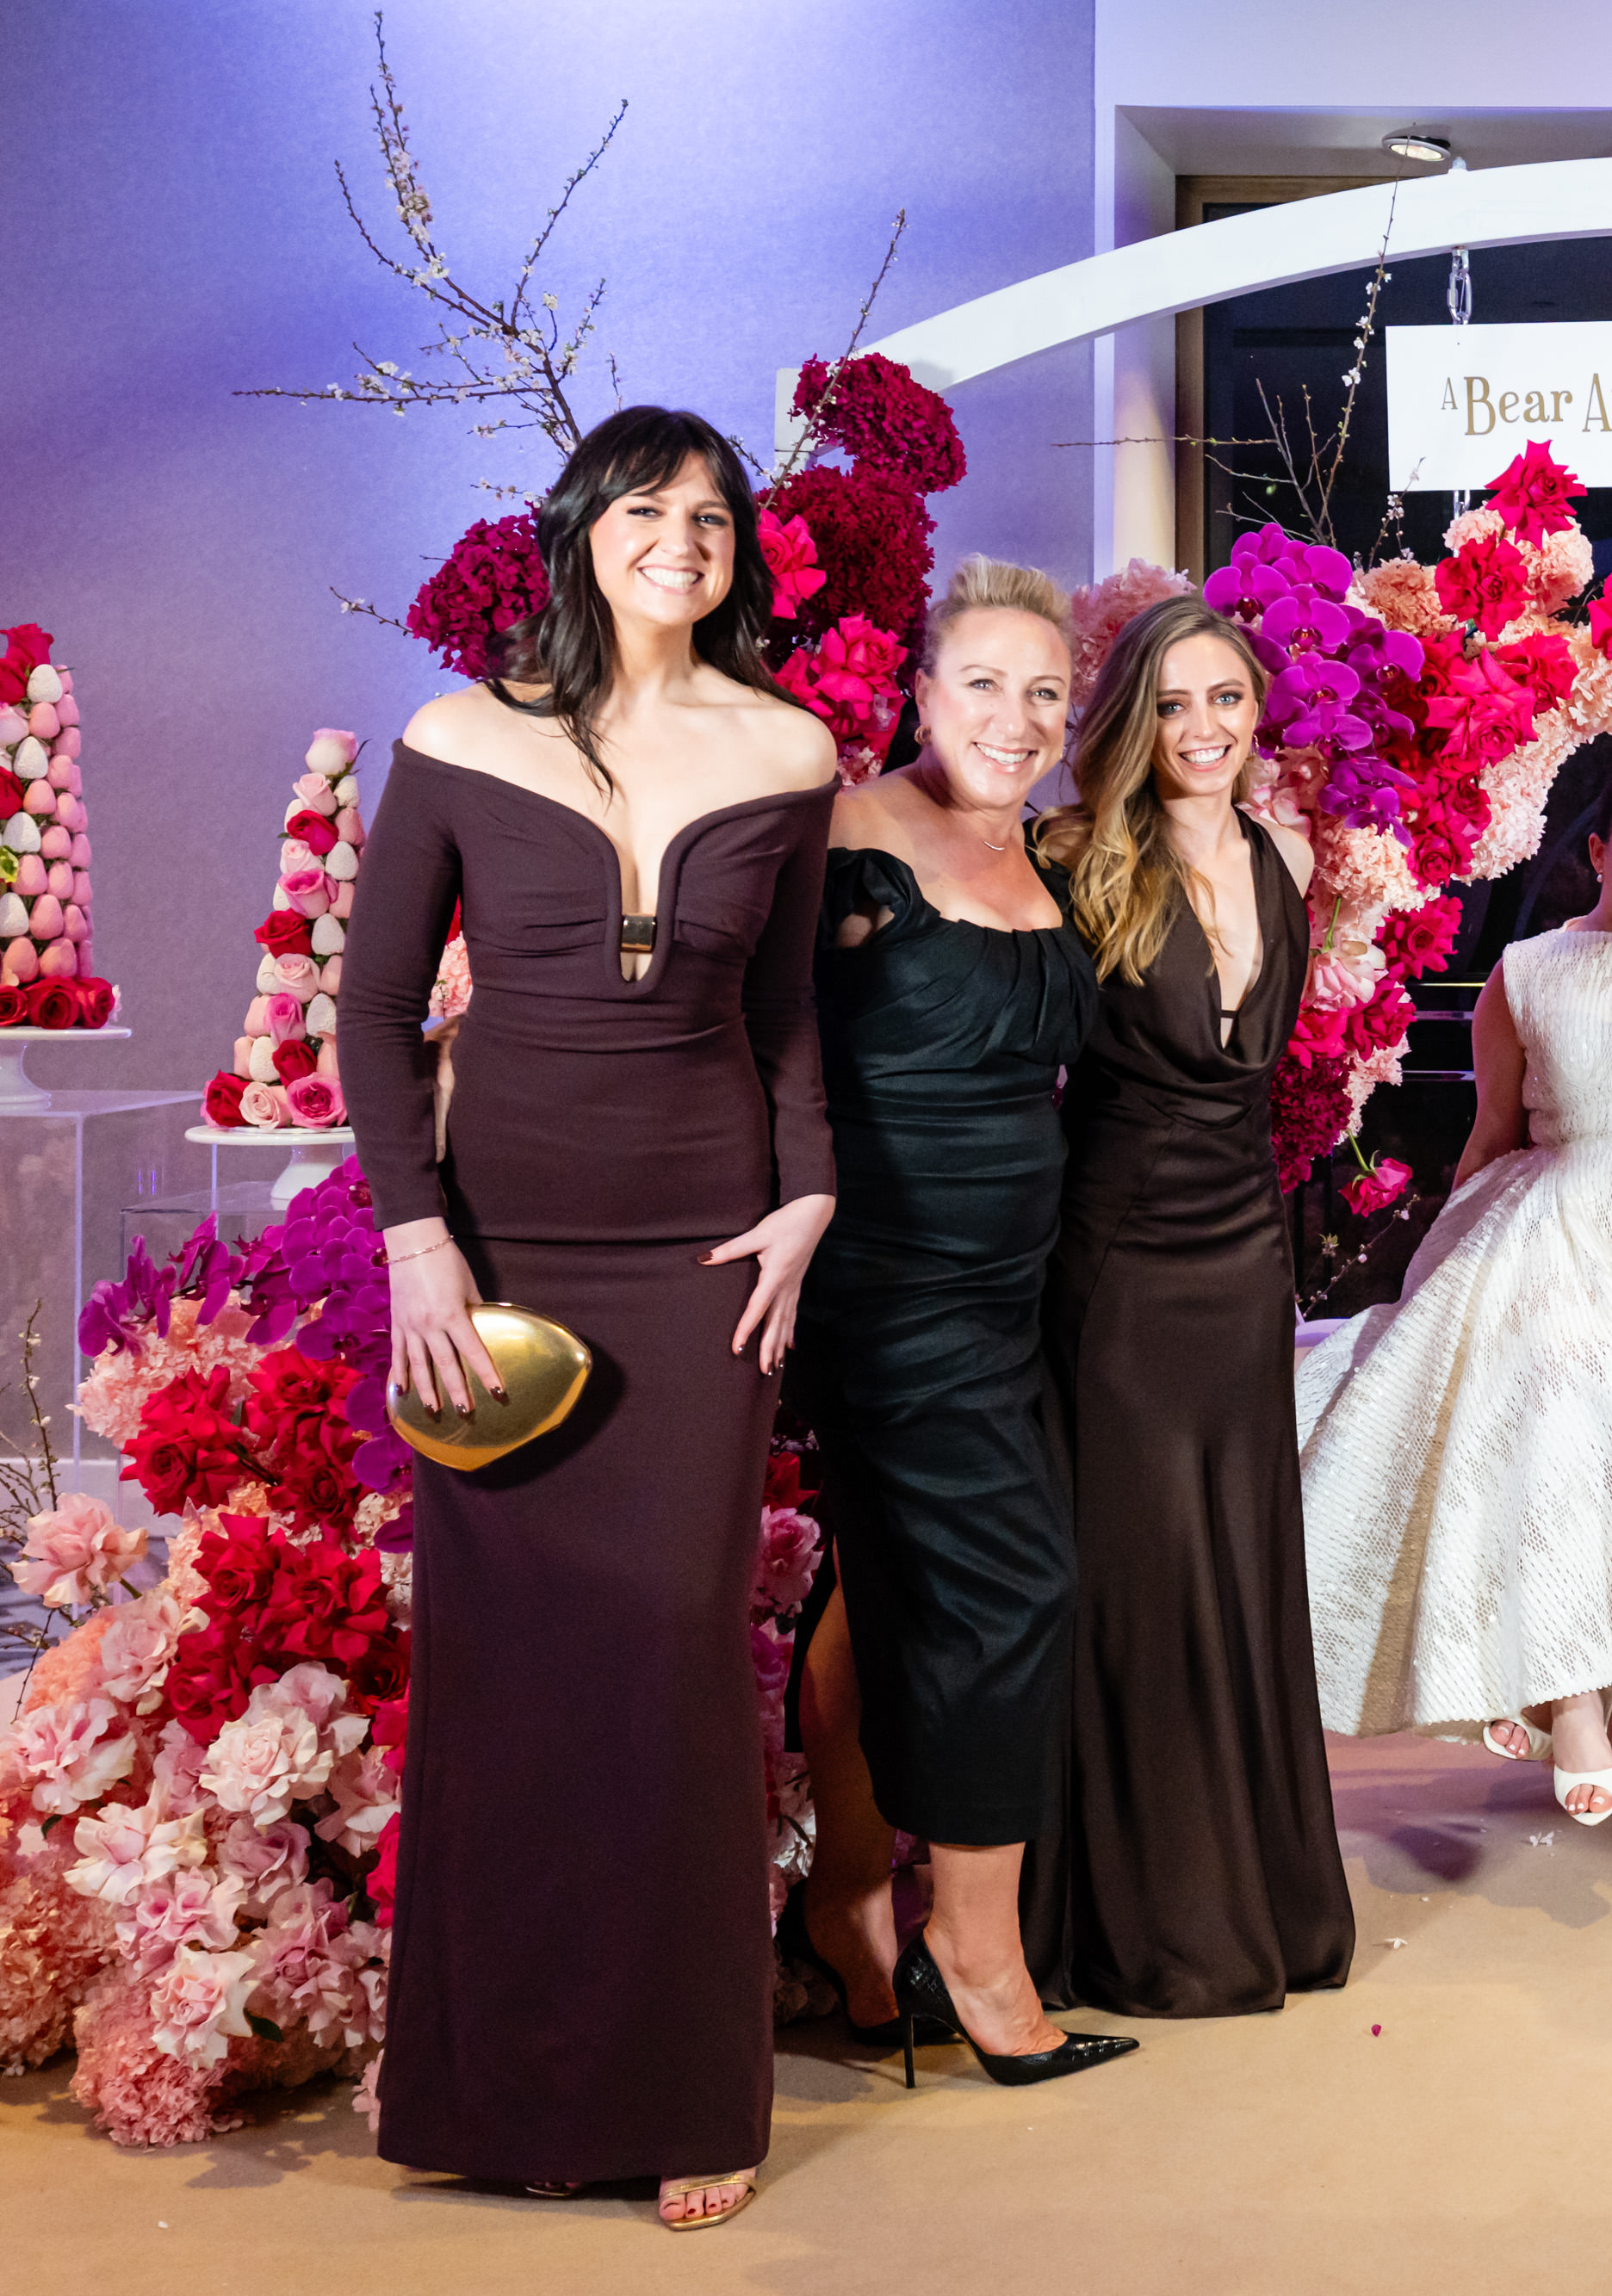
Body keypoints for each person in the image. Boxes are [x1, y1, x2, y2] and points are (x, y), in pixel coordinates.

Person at [347, 406, 840, 2230]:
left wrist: (810, 1192)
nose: (682, 538)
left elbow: (787, 1015)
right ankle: (503, 2093)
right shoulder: (458, 737)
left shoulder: (788, 745)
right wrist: (417, 1238)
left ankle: (690, 2089)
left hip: (706, 1259)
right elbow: (375, 1006)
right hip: (497, 1255)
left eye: (712, 514)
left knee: (675, 1657)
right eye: (648, 508)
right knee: (508, 1667)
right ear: (582, 530)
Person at [787, 556, 1132, 2088]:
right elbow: (753, 1046)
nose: (1016, 715)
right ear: (921, 694)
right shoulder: (850, 836)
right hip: (887, 1283)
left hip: (1010, 1289)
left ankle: (851, 1907)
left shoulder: (1044, 850)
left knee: (880, 1592)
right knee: (1014, 1584)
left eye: (1045, 691)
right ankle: (976, 1953)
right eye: (983, 682)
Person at [1300, 758, 1612, 1822]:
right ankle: (1569, 1697)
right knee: (1540, 1367)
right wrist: (1445, 1262)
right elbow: (1492, 1132)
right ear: (1598, 852)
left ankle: (1552, 1671)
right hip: (1558, 1207)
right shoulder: (1524, 971)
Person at [1021, 595, 1355, 2017]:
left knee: (1238, 1552)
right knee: (1141, 1566)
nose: (1203, 728)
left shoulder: (1285, 858)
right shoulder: (1073, 855)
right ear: (1132, 721)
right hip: (1118, 1259)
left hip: (1243, 1256)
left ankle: (1258, 1897)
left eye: (1225, 698)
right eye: (1171, 704)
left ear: (1256, 711)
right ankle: (1151, 1920)